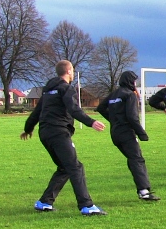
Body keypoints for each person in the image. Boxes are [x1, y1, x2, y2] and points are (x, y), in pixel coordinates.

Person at [21, 60, 107, 215]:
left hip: (45, 133)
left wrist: (27, 129)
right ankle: (86, 206)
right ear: (68, 71)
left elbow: (36, 112)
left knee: (64, 167)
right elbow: (74, 109)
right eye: (72, 70)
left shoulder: (48, 91)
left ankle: (44, 202)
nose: (73, 73)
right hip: (58, 133)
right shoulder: (66, 88)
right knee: (75, 167)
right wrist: (91, 122)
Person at [96, 71, 160, 201]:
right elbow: (132, 117)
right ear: (130, 81)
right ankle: (144, 192)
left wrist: (114, 120)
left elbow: (101, 108)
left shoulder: (114, 94)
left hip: (115, 133)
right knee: (137, 160)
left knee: (133, 159)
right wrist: (142, 134)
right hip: (126, 132)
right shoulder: (129, 95)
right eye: (134, 81)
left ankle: (142, 190)